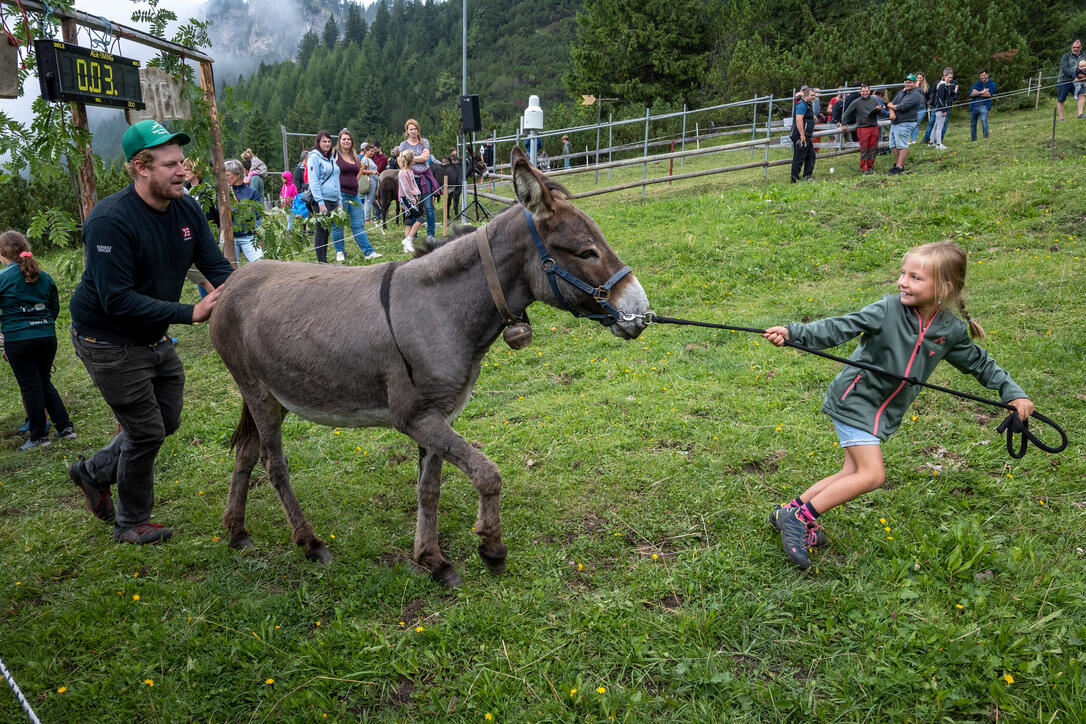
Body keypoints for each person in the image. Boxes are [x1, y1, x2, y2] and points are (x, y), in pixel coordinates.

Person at [762, 241, 1034, 570]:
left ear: (944, 287)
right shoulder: (888, 309)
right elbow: (839, 326)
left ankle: (788, 511)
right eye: (903, 274)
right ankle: (800, 520)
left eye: (916, 277)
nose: (903, 281)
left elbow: (981, 364)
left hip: (881, 410)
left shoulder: (950, 330)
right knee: (872, 475)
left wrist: (1012, 392)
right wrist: (794, 333)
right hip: (855, 399)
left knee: (852, 472)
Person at [67, 119, 234, 544]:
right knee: (145, 431)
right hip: (107, 340)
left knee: (167, 420)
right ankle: (131, 522)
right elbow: (116, 300)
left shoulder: (186, 208)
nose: (183, 171)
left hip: (153, 337)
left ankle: (91, 472)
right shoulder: (110, 220)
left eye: (183, 162)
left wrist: (253, 300)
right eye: (170, 164)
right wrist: (189, 312)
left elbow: (217, 268)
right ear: (140, 167)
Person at [0, 231, 76, 451]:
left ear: (3, 254)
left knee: (31, 387)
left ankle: (38, 436)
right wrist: (42, 323)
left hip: (19, 339)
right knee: (44, 381)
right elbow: (54, 306)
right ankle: (65, 427)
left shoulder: (4, 278)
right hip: (46, 336)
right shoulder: (43, 275)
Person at [330, 128, 380, 262]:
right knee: (338, 225)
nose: (346, 141)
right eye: (343, 139)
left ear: (352, 141)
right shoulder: (334, 154)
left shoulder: (355, 155)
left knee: (358, 225)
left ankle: (368, 252)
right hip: (339, 196)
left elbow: (360, 170)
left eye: (348, 139)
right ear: (339, 141)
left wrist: (355, 180)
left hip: (354, 195)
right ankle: (340, 252)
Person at [397, 119, 439, 246]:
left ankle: (430, 234)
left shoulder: (424, 142)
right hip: (410, 177)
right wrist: (417, 158)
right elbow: (401, 161)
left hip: (424, 176)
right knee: (412, 206)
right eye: (411, 129)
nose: (413, 131)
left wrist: (410, 158)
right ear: (407, 131)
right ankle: (412, 235)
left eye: (415, 128)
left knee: (428, 205)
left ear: (418, 129)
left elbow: (426, 158)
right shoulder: (403, 144)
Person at [305, 130, 341, 264]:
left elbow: (336, 179)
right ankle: (321, 261)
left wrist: (339, 200)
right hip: (321, 200)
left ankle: (324, 260)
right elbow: (313, 180)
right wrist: (320, 202)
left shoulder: (330, 158)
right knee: (321, 230)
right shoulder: (314, 157)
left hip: (333, 199)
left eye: (328, 141)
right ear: (318, 143)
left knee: (327, 230)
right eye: (324, 141)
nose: (327, 144)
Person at [223, 158, 264, 263]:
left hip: (248, 236)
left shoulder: (252, 193)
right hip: (229, 238)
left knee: (259, 263)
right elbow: (223, 215)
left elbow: (256, 214)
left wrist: (233, 210)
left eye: (227, 175)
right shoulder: (225, 193)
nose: (225, 178)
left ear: (238, 175)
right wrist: (245, 209)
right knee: (231, 269)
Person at [840, 83, 883, 174]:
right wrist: (843, 124)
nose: (865, 93)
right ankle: (864, 167)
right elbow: (846, 113)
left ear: (869, 91)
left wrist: (879, 110)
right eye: (863, 91)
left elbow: (880, 114)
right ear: (860, 92)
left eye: (866, 91)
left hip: (874, 126)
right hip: (862, 128)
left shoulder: (875, 100)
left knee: (873, 147)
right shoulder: (856, 102)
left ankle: (871, 165)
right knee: (864, 148)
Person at [887, 74, 922, 175]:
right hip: (896, 122)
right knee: (893, 145)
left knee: (902, 145)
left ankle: (899, 166)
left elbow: (902, 107)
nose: (907, 84)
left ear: (915, 83)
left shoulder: (916, 95)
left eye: (909, 82)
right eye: (906, 82)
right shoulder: (902, 92)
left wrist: (891, 106)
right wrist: (892, 111)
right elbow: (891, 103)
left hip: (906, 122)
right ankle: (898, 164)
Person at [397, 151, 424, 254]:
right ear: (412, 160)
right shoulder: (402, 173)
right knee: (420, 219)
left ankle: (406, 247)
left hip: (412, 198)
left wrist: (417, 194)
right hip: (407, 199)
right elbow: (406, 189)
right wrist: (412, 199)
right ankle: (408, 239)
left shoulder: (409, 171)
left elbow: (413, 185)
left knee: (409, 221)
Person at [789, 86, 817, 183]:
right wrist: (802, 135)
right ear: (806, 96)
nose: (814, 97)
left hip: (806, 135)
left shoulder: (807, 105)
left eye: (814, 95)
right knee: (799, 157)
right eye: (812, 95)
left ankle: (807, 176)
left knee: (811, 156)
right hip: (800, 135)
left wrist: (813, 117)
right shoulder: (802, 105)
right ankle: (794, 179)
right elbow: (799, 119)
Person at [928, 68, 958, 150]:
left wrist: (953, 92)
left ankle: (931, 143)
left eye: (951, 78)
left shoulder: (944, 85)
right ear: (944, 76)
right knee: (939, 127)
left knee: (935, 126)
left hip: (939, 108)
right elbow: (940, 99)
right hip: (940, 109)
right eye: (948, 77)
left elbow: (946, 96)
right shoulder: (942, 85)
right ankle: (938, 144)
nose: (950, 79)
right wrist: (944, 110)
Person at [1056, 39, 1084, 121]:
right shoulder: (1066, 56)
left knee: (1081, 94)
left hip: (1077, 81)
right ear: (1071, 47)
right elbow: (1064, 68)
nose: (1075, 49)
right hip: (1064, 80)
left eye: (1077, 47)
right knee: (1061, 99)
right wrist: (1074, 75)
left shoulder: (1084, 56)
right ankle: (1061, 118)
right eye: (1074, 47)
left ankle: (1080, 114)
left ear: (1081, 47)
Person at [968, 69, 996, 141]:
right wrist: (982, 92)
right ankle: (973, 139)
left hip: (983, 106)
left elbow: (988, 95)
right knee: (973, 124)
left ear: (987, 75)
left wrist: (977, 93)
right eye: (981, 76)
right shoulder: (977, 84)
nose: (982, 77)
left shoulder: (992, 84)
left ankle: (985, 137)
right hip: (973, 106)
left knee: (983, 121)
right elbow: (971, 94)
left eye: (984, 75)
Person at [359, 142, 380, 223]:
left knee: (371, 199)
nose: (373, 153)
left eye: (373, 151)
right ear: (366, 151)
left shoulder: (370, 159)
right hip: (370, 181)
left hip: (374, 181)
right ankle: (367, 219)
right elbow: (361, 170)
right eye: (371, 151)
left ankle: (368, 217)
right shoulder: (364, 159)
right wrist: (372, 172)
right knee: (368, 200)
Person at [911, 72, 929, 143]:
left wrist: (928, 103)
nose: (919, 79)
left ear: (923, 78)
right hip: (913, 108)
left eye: (920, 78)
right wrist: (916, 86)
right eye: (917, 78)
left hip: (922, 108)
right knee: (911, 124)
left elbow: (928, 97)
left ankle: (913, 140)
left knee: (916, 124)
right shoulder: (912, 86)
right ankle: (910, 139)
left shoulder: (926, 86)